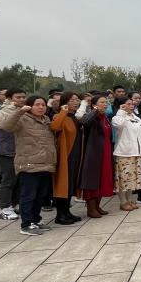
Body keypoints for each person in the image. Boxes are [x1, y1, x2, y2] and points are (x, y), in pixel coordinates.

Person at [0, 95, 57, 236]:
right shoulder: (22, 119)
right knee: (29, 195)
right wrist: (20, 111)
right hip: (29, 164)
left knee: (40, 195)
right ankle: (26, 224)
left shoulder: (46, 120)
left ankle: (35, 220)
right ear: (29, 106)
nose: (41, 107)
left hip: (46, 163)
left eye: (43, 105)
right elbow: (6, 126)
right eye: (37, 105)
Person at [76, 95, 114, 218]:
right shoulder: (92, 116)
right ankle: (91, 208)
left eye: (106, 102)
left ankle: (97, 206)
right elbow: (84, 122)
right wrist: (95, 111)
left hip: (105, 150)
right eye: (102, 102)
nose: (105, 104)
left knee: (103, 178)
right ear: (94, 105)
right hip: (94, 153)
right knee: (92, 180)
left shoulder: (105, 117)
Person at [49, 91, 84, 224]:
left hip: (75, 156)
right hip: (66, 156)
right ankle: (60, 215)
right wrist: (63, 112)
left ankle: (67, 212)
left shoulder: (74, 117)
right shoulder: (60, 116)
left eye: (77, 100)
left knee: (70, 185)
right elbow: (55, 127)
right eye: (72, 100)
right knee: (63, 185)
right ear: (65, 102)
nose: (76, 102)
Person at [0, 88, 26, 220]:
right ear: (9, 98)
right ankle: (5, 208)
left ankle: (14, 204)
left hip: (20, 150)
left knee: (18, 180)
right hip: (7, 150)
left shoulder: (24, 110)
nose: (22, 99)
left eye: (23, 97)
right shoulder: (3, 111)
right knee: (8, 179)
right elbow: (4, 125)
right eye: (18, 97)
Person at [111, 96, 141, 210]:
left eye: (132, 104)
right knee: (123, 178)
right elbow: (119, 125)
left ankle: (130, 200)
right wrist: (121, 112)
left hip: (136, 152)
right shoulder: (117, 117)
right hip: (124, 153)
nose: (131, 106)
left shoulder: (136, 118)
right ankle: (123, 202)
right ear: (122, 105)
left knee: (132, 179)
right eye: (128, 104)